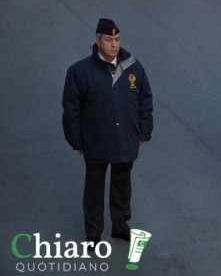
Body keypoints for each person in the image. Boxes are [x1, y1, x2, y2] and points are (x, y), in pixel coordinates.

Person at [62, 19, 153, 247]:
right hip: (96, 141)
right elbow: (71, 109)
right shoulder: (80, 71)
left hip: (126, 139)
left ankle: (120, 226)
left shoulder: (134, 67)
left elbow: (145, 101)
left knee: (122, 184)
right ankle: (93, 235)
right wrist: (77, 141)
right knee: (94, 188)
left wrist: (143, 132)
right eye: (108, 40)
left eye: (117, 39)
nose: (114, 45)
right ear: (97, 41)